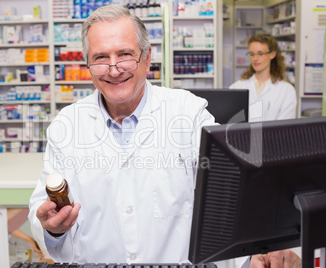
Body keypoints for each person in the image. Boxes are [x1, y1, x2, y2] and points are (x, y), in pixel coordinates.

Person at [28, 5, 300, 268]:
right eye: (100, 58)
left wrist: (267, 242)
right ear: (88, 65)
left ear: (146, 58)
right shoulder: (68, 123)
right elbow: (43, 210)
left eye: (124, 54)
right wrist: (53, 229)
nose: (113, 68)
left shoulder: (188, 112)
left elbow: (232, 190)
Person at [230, 33, 297, 122]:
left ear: (272, 54)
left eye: (260, 54)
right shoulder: (236, 87)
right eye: (252, 54)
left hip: (273, 136)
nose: (255, 59)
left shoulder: (287, 91)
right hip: (242, 136)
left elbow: (284, 129)